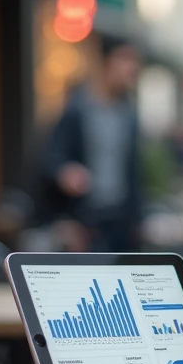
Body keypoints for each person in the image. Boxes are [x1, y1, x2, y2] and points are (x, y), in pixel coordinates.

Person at [41, 36, 145, 252]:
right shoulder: (77, 109)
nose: (132, 67)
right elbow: (52, 159)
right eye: (124, 59)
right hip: (83, 221)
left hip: (121, 221)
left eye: (134, 60)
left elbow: (133, 172)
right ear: (105, 62)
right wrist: (66, 172)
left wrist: (139, 219)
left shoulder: (128, 115)